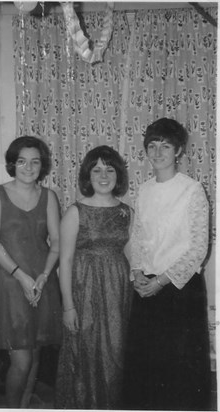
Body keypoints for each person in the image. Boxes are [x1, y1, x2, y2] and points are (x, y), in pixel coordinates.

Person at [124, 118, 211, 410]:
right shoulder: (144, 190)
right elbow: (137, 237)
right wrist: (137, 273)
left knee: (179, 370)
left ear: (178, 151)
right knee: (146, 368)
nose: (158, 152)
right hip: (146, 287)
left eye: (165, 146)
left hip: (179, 289)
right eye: (152, 145)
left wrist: (160, 281)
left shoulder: (192, 190)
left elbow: (199, 247)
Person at [0, 135, 62, 408]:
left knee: (35, 353)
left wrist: (44, 275)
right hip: (10, 283)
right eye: (22, 161)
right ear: (12, 164)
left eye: (35, 162)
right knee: (22, 360)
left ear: (42, 165)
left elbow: (57, 242)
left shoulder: (49, 197)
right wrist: (22, 277)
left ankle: (25, 404)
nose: (28, 167)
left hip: (42, 281)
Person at [54, 145, 133, 409]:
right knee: (86, 352)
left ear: (118, 175)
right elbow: (63, 262)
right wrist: (68, 307)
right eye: (96, 169)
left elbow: (131, 255)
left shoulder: (126, 212)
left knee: (115, 354)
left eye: (109, 169)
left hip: (117, 291)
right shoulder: (75, 212)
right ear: (87, 175)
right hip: (84, 289)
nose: (103, 175)